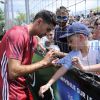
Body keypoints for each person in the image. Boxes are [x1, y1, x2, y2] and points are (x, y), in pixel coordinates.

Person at [0, 10, 57, 100]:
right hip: (9, 89)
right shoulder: (17, 34)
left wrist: (48, 63)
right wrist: (43, 63)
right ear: (39, 22)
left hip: (22, 87)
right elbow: (13, 72)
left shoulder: (34, 40)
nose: (47, 33)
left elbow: (25, 68)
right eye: (48, 29)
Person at [38, 22, 100, 98]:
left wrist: (84, 68)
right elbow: (62, 69)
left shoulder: (97, 46)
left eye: (71, 41)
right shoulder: (74, 53)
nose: (69, 45)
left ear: (81, 37)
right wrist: (48, 84)